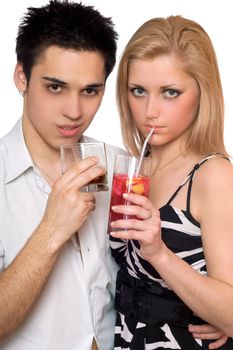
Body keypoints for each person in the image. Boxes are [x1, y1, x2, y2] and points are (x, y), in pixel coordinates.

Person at [0, 1, 123, 349]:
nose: (74, 112)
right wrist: (53, 229)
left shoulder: (119, 167)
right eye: (55, 87)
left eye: (90, 91)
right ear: (21, 77)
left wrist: (203, 313)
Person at [109, 15, 233, 349]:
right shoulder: (131, 169)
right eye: (138, 91)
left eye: (170, 92)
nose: (151, 111)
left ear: (201, 92)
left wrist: (160, 253)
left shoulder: (212, 175)